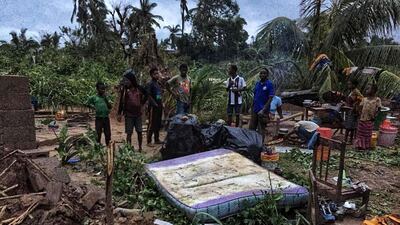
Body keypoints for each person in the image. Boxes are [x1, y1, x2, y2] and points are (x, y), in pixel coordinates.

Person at [118, 69, 156, 151]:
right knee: (129, 133)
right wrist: (119, 113)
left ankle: (140, 148)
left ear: (131, 80)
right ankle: (128, 149)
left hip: (138, 114)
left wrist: (142, 102)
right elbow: (121, 101)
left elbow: (147, 94)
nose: (125, 82)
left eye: (126, 80)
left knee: (139, 132)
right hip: (128, 115)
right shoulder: (124, 90)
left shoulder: (139, 88)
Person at [249, 68, 274, 142]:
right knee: (251, 128)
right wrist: (251, 107)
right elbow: (255, 97)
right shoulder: (257, 84)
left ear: (267, 75)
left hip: (263, 111)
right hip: (255, 109)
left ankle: (260, 145)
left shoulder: (269, 84)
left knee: (261, 129)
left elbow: (270, 98)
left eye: (264, 73)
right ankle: (251, 144)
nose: (262, 75)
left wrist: (263, 110)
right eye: (261, 73)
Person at [354, 84, 381, 150]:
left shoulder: (377, 99)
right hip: (362, 119)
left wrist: (375, 115)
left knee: (367, 134)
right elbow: (360, 107)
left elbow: (379, 108)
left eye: (368, 89)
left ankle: (366, 146)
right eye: (366, 89)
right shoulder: (364, 99)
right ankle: (359, 145)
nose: (366, 90)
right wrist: (359, 113)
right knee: (360, 133)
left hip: (370, 119)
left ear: (373, 90)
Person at [87, 82, 112, 146]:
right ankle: (98, 147)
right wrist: (93, 107)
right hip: (98, 118)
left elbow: (110, 107)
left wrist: (106, 99)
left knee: (108, 134)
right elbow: (87, 103)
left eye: (104, 89)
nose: (103, 90)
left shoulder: (105, 97)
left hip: (106, 118)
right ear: (97, 89)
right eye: (101, 89)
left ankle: (108, 148)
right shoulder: (94, 97)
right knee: (98, 133)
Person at [146, 67, 163, 145]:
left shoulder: (158, 84)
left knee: (158, 123)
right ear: (151, 75)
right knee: (152, 123)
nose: (157, 75)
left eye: (157, 73)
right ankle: (149, 141)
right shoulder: (150, 84)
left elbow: (159, 95)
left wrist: (161, 103)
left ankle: (156, 139)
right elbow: (148, 95)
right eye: (155, 74)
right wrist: (154, 103)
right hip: (153, 107)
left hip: (159, 106)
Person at [344, 79, 363, 144]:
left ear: (354, 85)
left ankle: (349, 140)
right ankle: (347, 139)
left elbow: (361, 98)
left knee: (350, 126)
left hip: (353, 111)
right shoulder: (351, 91)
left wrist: (355, 104)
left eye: (350, 84)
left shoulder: (356, 91)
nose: (348, 85)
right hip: (350, 109)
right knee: (349, 125)